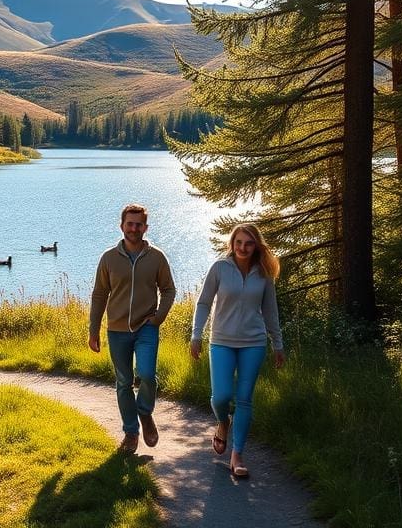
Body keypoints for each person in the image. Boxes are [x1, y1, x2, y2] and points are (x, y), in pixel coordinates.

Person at [191, 222, 284, 478]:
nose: (243, 248)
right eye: (239, 242)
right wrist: (196, 335)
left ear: (256, 246)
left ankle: (237, 455)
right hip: (221, 341)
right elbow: (203, 303)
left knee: (244, 399)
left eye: (249, 243)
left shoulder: (264, 273)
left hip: (253, 343)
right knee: (221, 396)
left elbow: (270, 311)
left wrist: (278, 344)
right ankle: (223, 423)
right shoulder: (220, 268)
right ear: (232, 244)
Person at [89, 204, 177, 454]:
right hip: (116, 330)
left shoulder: (157, 257)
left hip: (146, 327)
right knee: (124, 382)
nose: (134, 228)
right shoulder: (108, 258)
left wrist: (159, 317)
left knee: (147, 374)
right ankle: (130, 433)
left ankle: (145, 413)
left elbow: (168, 290)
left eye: (139, 224)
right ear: (122, 226)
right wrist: (93, 330)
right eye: (130, 224)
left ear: (145, 228)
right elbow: (99, 295)